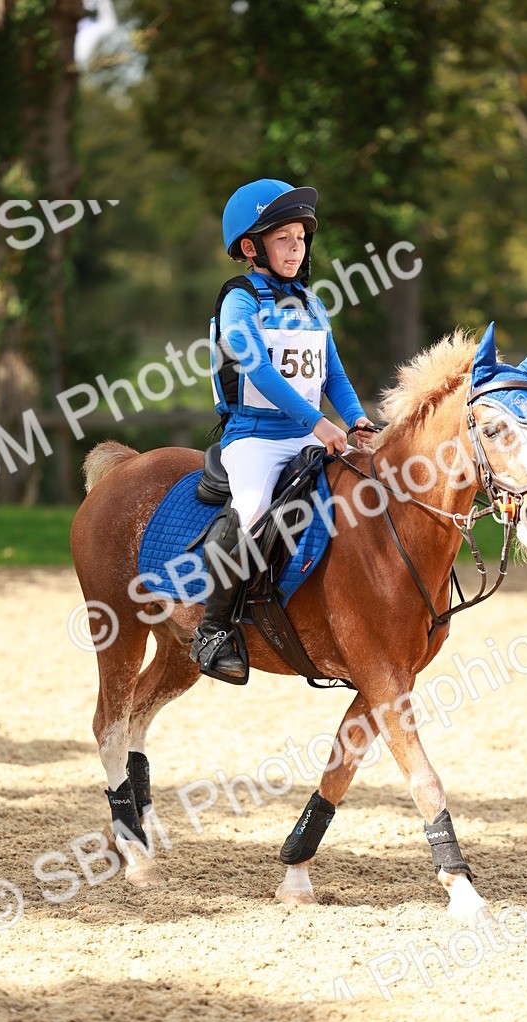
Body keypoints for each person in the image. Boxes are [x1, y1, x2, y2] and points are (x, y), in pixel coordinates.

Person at [190, 178, 376, 682]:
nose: (296, 249)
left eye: (300, 238)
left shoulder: (312, 304)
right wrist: (317, 422)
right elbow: (259, 371)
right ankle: (213, 630)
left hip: (310, 431)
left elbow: (333, 376)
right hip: (254, 436)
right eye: (283, 239)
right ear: (252, 247)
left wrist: (356, 418)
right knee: (252, 508)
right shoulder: (239, 300)